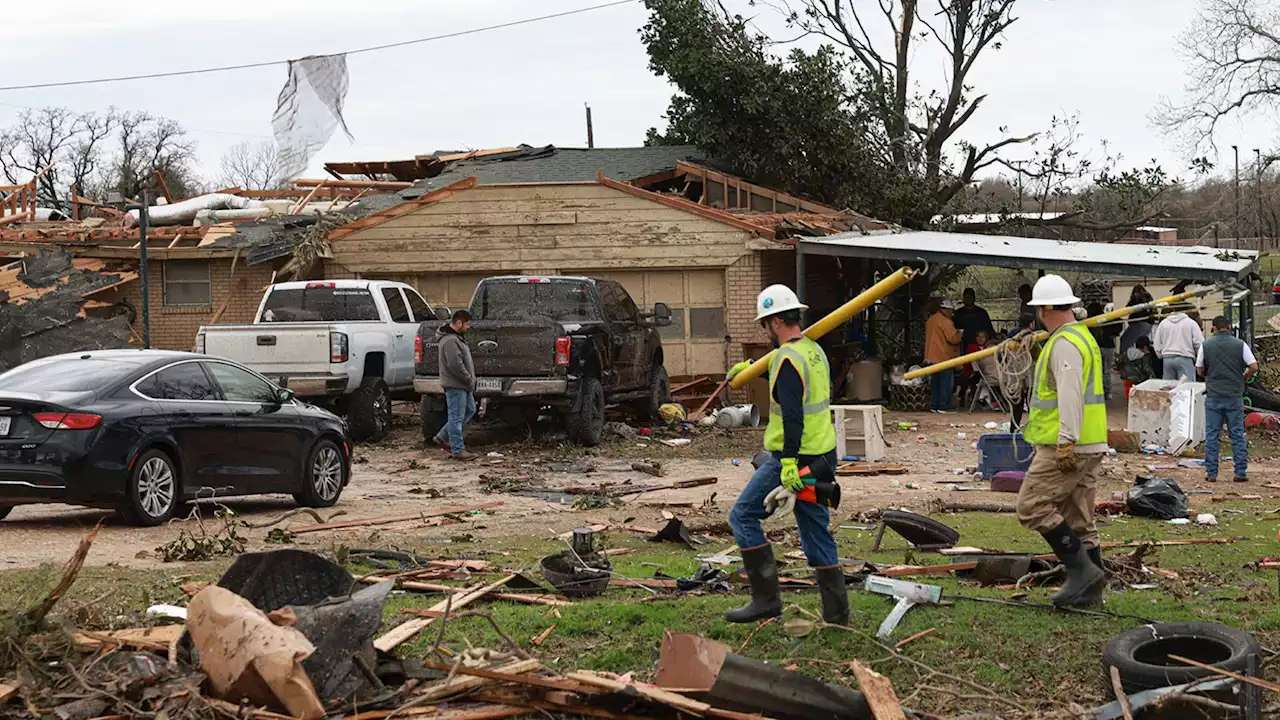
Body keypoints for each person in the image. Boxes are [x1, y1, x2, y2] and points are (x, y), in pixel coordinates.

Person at [724, 285, 846, 626]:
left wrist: (790, 463)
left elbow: (793, 414)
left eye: (766, 323)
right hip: (823, 457)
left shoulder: (786, 358)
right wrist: (752, 368)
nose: (765, 330)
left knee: (743, 516)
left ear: (776, 322)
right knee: (815, 532)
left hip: (793, 460)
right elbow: (796, 384)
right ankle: (838, 616)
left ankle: (765, 600)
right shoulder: (813, 350)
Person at [1016, 274, 1108, 607]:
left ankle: (1083, 573)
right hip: (1091, 442)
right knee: (1080, 519)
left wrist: (1066, 441)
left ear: (1043, 310)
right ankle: (1090, 594)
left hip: (1067, 445)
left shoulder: (1065, 344)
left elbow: (1070, 396)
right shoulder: (1080, 337)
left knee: (1032, 506)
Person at [1197, 316, 1258, 483]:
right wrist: (1243, 377)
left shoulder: (1206, 345)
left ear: (1214, 328)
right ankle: (1240, 472)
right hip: (1234, 395)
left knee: (1212, 435)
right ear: (1229, 327)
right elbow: (1253, 366)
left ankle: (1211, 473)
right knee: (1237, 434)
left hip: (1214, 395)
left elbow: (1199, 369)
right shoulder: (1240, 345)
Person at [433, 309, 478, 461]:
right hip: (456, 384)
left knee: (470, 410)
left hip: (462, 384)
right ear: (458, 323)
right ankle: (458, 450)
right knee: (456, 417)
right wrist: (468, 378)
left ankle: (442, 436)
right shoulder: (451, 340)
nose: (469, 327)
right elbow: (455, 364)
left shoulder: (456, 338)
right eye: (467, 324)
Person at [925, 299, 963, 412]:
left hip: (931, 356)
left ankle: (934, 406)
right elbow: (953, 339)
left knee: (935, 382)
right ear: (946, 310)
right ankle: (943, 406)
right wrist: (960, 333)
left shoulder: (931, 320)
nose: (952, 314)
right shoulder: (946, 322)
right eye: (952, 311)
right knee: (946, 383)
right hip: (943, 357)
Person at [1153, 308, 1204, 381]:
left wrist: (1161, 355)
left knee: (1168, 389)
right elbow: (1199, 344)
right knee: (1186, 389)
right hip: (1185, 358)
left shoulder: (1163, 324)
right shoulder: (1191, 323)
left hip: (1167, 360)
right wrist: (1198, 360)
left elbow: (1157, 345)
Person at [1085, 301, 1120, 399]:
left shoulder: (1088, 322)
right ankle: (1107, 392)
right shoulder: (1107, 318)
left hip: (1095, 348)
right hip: (1108, 347)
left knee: (1097, 370)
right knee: (1107, 370)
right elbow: (1117, 327)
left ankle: (1098, 391)